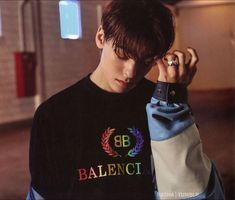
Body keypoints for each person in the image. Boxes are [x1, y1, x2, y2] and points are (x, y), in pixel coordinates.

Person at [27, 0, 225, 199]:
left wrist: (172, 103)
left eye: (146, 61)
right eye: (122, 54)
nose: (131, 72)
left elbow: (191, 191)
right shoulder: (54, 114)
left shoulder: (164, 110)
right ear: (101, 37)